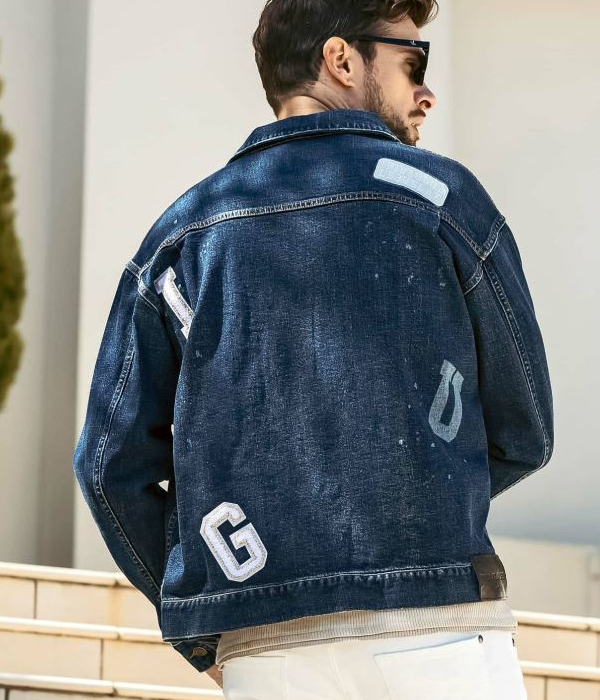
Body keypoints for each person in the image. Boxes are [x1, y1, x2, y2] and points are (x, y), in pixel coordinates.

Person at [72, 1, 554, 698]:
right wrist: (412, 495)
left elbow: (107, 465)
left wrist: (202, 620)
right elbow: (525, 432)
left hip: (265, 648)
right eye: (412, 61)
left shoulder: (182, 237)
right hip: (437, 628)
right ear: (341, 59)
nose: (427, 92)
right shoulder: (442, 200)